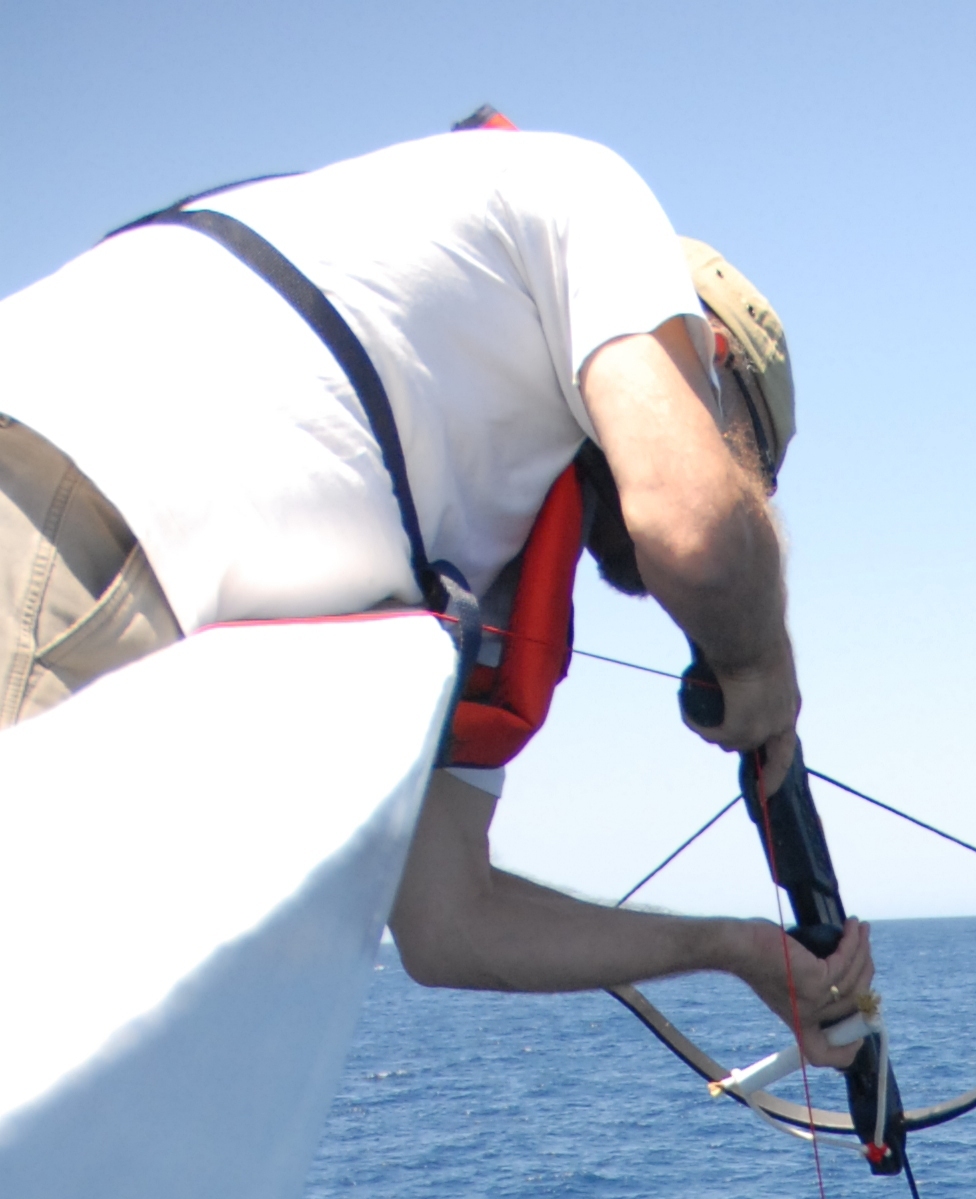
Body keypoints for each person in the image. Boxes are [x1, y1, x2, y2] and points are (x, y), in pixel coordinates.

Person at [0, 115, 873, 1061]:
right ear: (700, 354)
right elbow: (698, 524)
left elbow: (450, 921)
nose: (736, 486)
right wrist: (761, 668)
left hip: (105, 583)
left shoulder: (478, 538)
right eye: (741, 455)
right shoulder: (591, 199)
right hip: (64, 512)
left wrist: (733, 950)